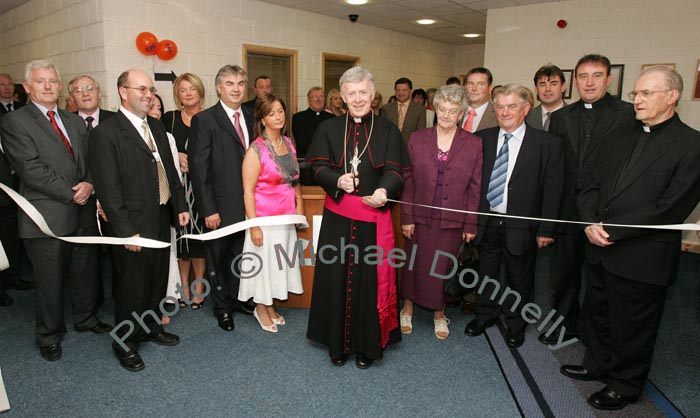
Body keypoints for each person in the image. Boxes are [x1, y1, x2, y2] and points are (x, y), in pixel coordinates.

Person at [561, 66, 700, 411]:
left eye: (645, 94)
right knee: (598, 312)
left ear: (672, 96)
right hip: (598, 245)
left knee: (633, 325)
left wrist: (612, 230)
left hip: (642, 255)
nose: (636, 100)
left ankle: (624, 384)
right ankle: (597, 363)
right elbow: (590, 184)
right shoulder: (621, 134)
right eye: (635, 94)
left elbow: (671, 207)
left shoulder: (691, 144)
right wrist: (589, 223)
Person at [0, 59, 112, 362]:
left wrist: (89, 183)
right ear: (28, 87)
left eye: (52, 80)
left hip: (83, 210)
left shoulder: (75, 120)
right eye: (41, 81)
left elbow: (93, 160)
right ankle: (49, 333)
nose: (48, 86)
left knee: (85, 270)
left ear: (61, 87)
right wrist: (70, 192)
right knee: (49, 280)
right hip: (45, 215)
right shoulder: (14, 122)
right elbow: (29, 168)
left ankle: (85, 317)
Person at [306, 66, 409, 369]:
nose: (359, 98)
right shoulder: (329, 128)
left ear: (373, 94)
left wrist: (383, 191)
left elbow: (395, 171)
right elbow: (316, 167)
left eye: (363, 92)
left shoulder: (388, 130)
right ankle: (336, 343)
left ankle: (368, 345)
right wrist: (337, 180)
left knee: (369, 281)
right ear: (343, 97)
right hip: (338, 218)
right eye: (352, 93)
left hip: (373, 217)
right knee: (336, 277)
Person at [89, 69, 189, 372]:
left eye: (151, 90)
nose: (149, 95)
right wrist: (125, 232)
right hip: (130, 225)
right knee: (132, 285)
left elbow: (170, 171)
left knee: (157, 277)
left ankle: (151, 328)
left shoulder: (156, 127)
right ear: (123, 91)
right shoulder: (105, 133)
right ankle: (125, 342)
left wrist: (180, 205)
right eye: (141, 89)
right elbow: (108, 189)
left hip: (159, 215)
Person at [543, 54, 636, 346]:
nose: (590, 82)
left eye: (597, 75)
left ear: (609, 79)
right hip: (568, 212)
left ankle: (595, 333)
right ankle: (564, 324)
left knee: (601, 280)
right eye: (583, 76)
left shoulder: (628, 114)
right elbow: (554, 168)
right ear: (575, 81)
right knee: (563, 276)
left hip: (605, 213)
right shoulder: (560, 117)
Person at [464, 84, 564, 348]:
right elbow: (472, 183)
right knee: (485, 272)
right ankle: (484, 314)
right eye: (499, 106)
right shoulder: (481, 139)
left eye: (511, 106)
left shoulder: (547, 144)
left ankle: (515, 323)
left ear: (526, 109)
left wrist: (547, 229)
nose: (505, 112)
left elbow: (554, 191)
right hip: (488, 220)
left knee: (519, 276)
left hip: (522, 224)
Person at [400, 85, 482, 340]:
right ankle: (407, 308)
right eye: (442, 109)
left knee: (443, 267)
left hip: (452, 221)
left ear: (461, 114)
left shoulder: (474, 144)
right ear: (435, 109)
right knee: (414, 264)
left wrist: (470, 224)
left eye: (452, 111)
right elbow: (409, 180)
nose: (446, 115)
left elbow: (474, 187)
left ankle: (439, 313)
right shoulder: (417, 138)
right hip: (420, 218)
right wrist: (407, 217)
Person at [189, 64, 257, 332]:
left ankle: (238, 299)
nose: (236, 88)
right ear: (219, 88)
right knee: (216, 259)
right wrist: (208, 209)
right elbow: (199, 168)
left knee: (240, 255)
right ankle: (221, 307)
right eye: (230, 83)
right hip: (218, 205)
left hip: (247, 203)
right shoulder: (205, 120)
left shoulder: (253, 116)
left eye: (240, 83)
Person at [240, 94, 304, 333]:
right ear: (263, 119)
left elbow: (295, 179)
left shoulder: (288, 142)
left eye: (280, 111)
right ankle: (260, 307)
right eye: (272, 113)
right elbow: (247, 190)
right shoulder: (255, 150)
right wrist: (254, 225)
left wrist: (299, 206)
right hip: (264, 218)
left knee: (279, 263)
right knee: (263, 265)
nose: (278, 117)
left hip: (286, 217)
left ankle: (270, 304)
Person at [162, 73, 208, 310]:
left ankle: (199, 287)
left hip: (203, 187)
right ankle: (183, 287)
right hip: (178, 188)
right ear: (177, 95)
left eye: (192, 88)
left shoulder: (211, 118)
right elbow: (158, 150)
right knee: (182, 239)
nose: (188, 93)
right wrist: (176, 155)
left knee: (200, 238)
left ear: (200, 91)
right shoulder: (169, 119)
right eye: (183, 90)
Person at [380, 77, 427, 143]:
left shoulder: (420, 109)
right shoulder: (386, 108)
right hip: (391, 146)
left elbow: (421, 132)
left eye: (404, 90)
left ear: (410, 90)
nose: (401, 93)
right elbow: (383, 131)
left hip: (410, 147)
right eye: (398, 90)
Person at [291, 86, 333, 158]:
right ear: (308, 100)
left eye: (321, 97)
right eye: (314, 97)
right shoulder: (299, 118)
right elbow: (302, 143)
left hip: (328, 159)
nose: (318, 100)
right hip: (307, 160)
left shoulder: (331, 118)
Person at [525, 65, 567, 131]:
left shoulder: (575, 116)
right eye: (542, 84)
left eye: (553, 84)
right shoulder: (526, 117)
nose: (547, 89)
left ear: (563, 87)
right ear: (536, 89)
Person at [460, 67, 498, 133]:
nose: (474, 88)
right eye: (470, 84)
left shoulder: (498, 116)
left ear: (490, 89)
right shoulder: (455, 112)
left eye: (481, 84)